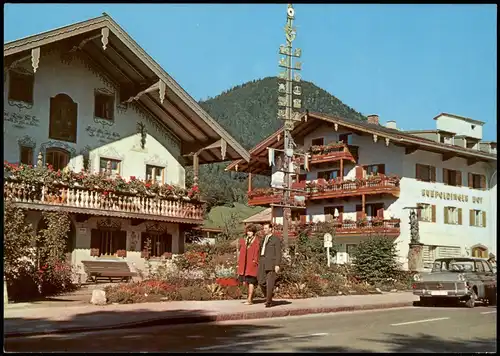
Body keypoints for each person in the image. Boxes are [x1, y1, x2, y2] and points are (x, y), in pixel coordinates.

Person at [258, 222, 282, 308]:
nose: (264, 230)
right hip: (262, 261)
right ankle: (269, 295)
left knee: (270, 282)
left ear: (271, 229)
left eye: (266, 228)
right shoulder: (263, 238)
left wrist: (277, 264)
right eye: (263, 228)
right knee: (261, 281)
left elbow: (278, 253)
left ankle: (268, 301)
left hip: (271, 263)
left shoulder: (276, 239)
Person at [237, 224, 260, 305]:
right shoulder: (245, 240)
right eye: (248, 231)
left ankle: (250, 299)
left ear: (254, 232)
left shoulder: (256, 240)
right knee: (246, 282)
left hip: (252, 265)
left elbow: (257, 252)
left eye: (250, 231)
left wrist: (255, 261)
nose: (248, 233)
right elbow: (241, 252)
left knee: (251, 282)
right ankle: (250, 297)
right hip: (244, 265)